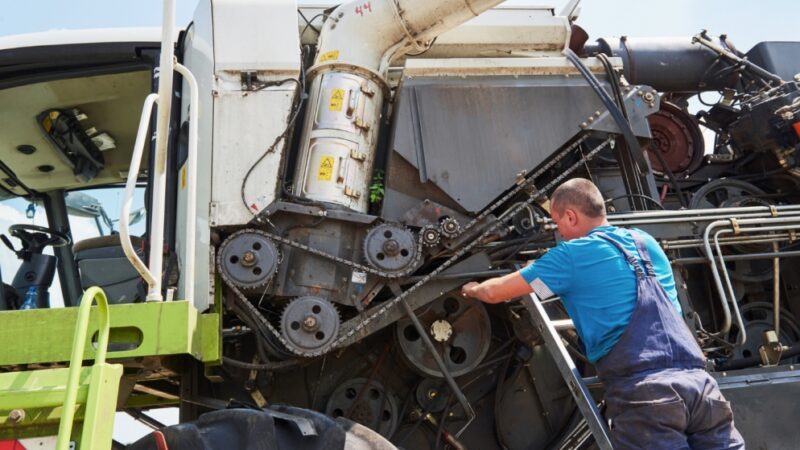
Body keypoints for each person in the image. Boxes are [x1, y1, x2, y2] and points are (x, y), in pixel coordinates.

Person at [461, 178, 745, 450]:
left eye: (558, 224)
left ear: (571, 217)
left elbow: (496, 292)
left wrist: (474, 287)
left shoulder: (572, 255)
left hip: (646, 395)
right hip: (702, 388)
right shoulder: (645, 241)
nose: (559, 232)